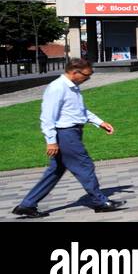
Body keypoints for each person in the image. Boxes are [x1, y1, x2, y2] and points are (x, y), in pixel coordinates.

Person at [12, 59, 127, 218]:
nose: (88, 78)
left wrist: (100, 122)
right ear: (74, 72)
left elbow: (80, 111)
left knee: (55, 171)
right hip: (65, 134)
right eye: (86, 75)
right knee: (85, 165)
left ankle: (27, 205)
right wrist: (51, 141)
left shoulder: (73, 88)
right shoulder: (57, 88)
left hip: (71, 132)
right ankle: (100, 202)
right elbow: (47, 117)